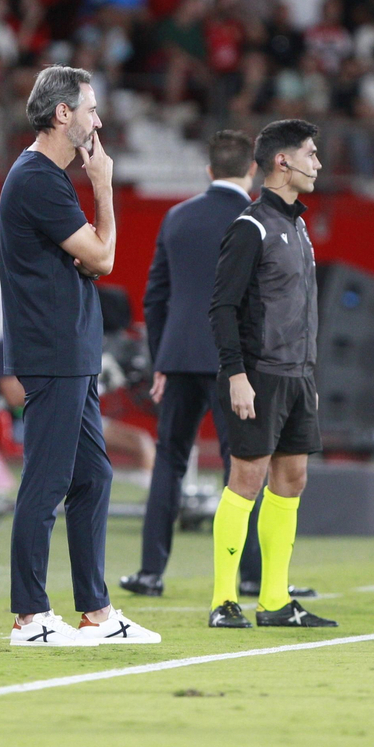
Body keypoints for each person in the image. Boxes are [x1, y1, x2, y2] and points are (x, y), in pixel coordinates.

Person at [0, 64, 159, 647]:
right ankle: (30, 616)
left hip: (72, 351)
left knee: (93, 475)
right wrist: (105, 188)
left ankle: (95, 611)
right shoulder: (39, 177)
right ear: (62, 113)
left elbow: (90, 257)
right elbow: (103, 258)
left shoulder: (46, 177)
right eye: (91, 109)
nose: (98, 119)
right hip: (53, 351)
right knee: (47, 481)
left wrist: (89, 246)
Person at [121, 129, 313, 602]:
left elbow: (156, 295)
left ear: (208, 171)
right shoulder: (258, 218)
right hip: (240, 366)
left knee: (169, 459)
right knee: (245, 467)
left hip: (181, 357)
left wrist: (160, 359)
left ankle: (150, 573)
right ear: (252, 169)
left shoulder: (177, 217)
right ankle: (252, 578)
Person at [208, 119, 338, 630]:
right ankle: (223, 601)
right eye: (310, 153)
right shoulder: (251, 226)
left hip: (297, 377)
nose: (317, 163)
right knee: (246, 479)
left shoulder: (300, 226)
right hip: (259, 375)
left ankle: (275, 602)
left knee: (293, 480)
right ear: (282, 161)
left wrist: (310, 377)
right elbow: (222, 307)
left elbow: (300, 311)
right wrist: (236, 375)